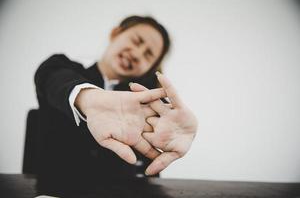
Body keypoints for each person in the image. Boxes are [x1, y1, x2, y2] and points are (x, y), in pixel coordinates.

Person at [34, 15, 198, 183]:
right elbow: (53, 77)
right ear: (115, 33)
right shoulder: (60, 66)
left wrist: (176, 130)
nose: (136, 54)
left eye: (148, 55)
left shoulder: (149, 104)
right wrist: (89, 98)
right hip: (57, 188)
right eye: (136, 41)